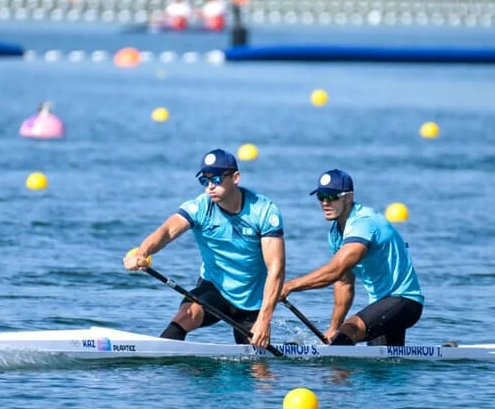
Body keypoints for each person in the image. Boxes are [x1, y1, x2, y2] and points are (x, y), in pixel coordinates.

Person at [123, 149, 286, 348]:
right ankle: (158, 363)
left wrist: (264, 320)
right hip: (215, 289)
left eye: (216, 179)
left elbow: (276, 269)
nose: (210, 187)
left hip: (253, 299)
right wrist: (142, 252)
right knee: (187, 314)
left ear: (236, 177)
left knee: (259, 373)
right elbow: (167, 231)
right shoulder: (200, 207)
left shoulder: (263, 211)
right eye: (205, 180)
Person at [281, 169, 423, 346]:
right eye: (321, 196)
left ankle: (335, 373)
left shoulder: (363, 223)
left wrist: (290, 286)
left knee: (349, 330)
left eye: (332, 197)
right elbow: (343, 283)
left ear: (348, 197)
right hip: (382, 305)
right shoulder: (336, 233)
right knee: (382, 369)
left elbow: (336, 269)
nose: (325, 202)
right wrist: (333, 327)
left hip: (404, 301)